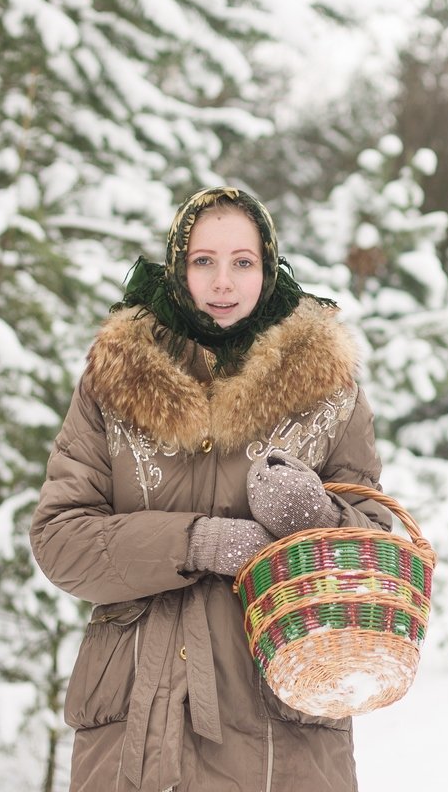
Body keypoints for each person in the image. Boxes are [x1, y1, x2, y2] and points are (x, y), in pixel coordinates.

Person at [31, 186, 391, 791]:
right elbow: (61, 538)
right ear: (178, 266)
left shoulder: (327, 388)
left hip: (283, 728)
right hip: (138, 728)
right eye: (204, 261)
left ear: (268, 267)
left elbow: (376, 548)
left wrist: (314, 516)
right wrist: (198, 543)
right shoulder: (112, 381)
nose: (223, 282)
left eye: (242, 262)